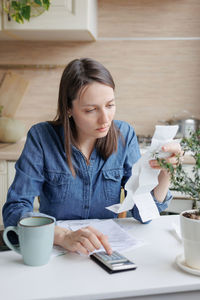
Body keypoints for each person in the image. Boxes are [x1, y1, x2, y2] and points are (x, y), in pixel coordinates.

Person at [3, 58, 182, 255]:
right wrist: (62, 236)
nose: (105, 119)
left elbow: (143, 214)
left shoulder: (124, 135)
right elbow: (15, 210)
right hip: (58, 250)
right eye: (91, 110)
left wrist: (165, 174)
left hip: (106, 250)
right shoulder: (41, 137)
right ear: (69, 109)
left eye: (110, 105)